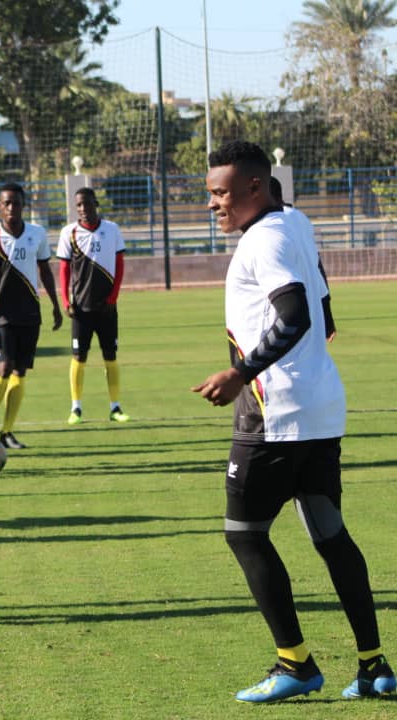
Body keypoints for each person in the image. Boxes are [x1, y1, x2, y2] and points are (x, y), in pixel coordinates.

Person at [193, 140, 393, 703]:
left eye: (220, 193)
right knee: (330, 534)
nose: (213, 204)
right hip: (321, 404)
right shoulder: (296, 221)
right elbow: (325, 313)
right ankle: (374, 665)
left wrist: (241, 373)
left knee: (244, 536)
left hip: (273, 413)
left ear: (255, 187)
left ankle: (296, 664)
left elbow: (296, 315)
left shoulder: (264, 240)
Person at [0, 182, 63, 449]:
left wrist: (55, 305)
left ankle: (7, 432)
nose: (11, 207)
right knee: (3, 367)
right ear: (0, 206)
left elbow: (45, 270)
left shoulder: (37, 234)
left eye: (16, 202)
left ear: (24, 205)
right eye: (7, 203)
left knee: (20, 372)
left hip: (30, 313)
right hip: (1, 315)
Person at [56, 187, 129, 425]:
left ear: (95, 204)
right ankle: (75, 408)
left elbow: (119, 266)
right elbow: (64, 269)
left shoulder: (112, 230)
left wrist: (112, 298)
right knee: (79, 357)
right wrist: (66, 301)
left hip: (107, 308)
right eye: (78, 205)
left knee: (110, 356)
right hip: (81, 309)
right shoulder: (69, 232)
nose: (83, 209)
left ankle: (115, 407)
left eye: (87, 204)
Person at [269, 176, 337, 343]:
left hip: (286, 312)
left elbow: (316, 265)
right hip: (311, 307)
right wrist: (327, 315)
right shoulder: (299, 217)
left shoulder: (270, 225)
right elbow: (317, 266)